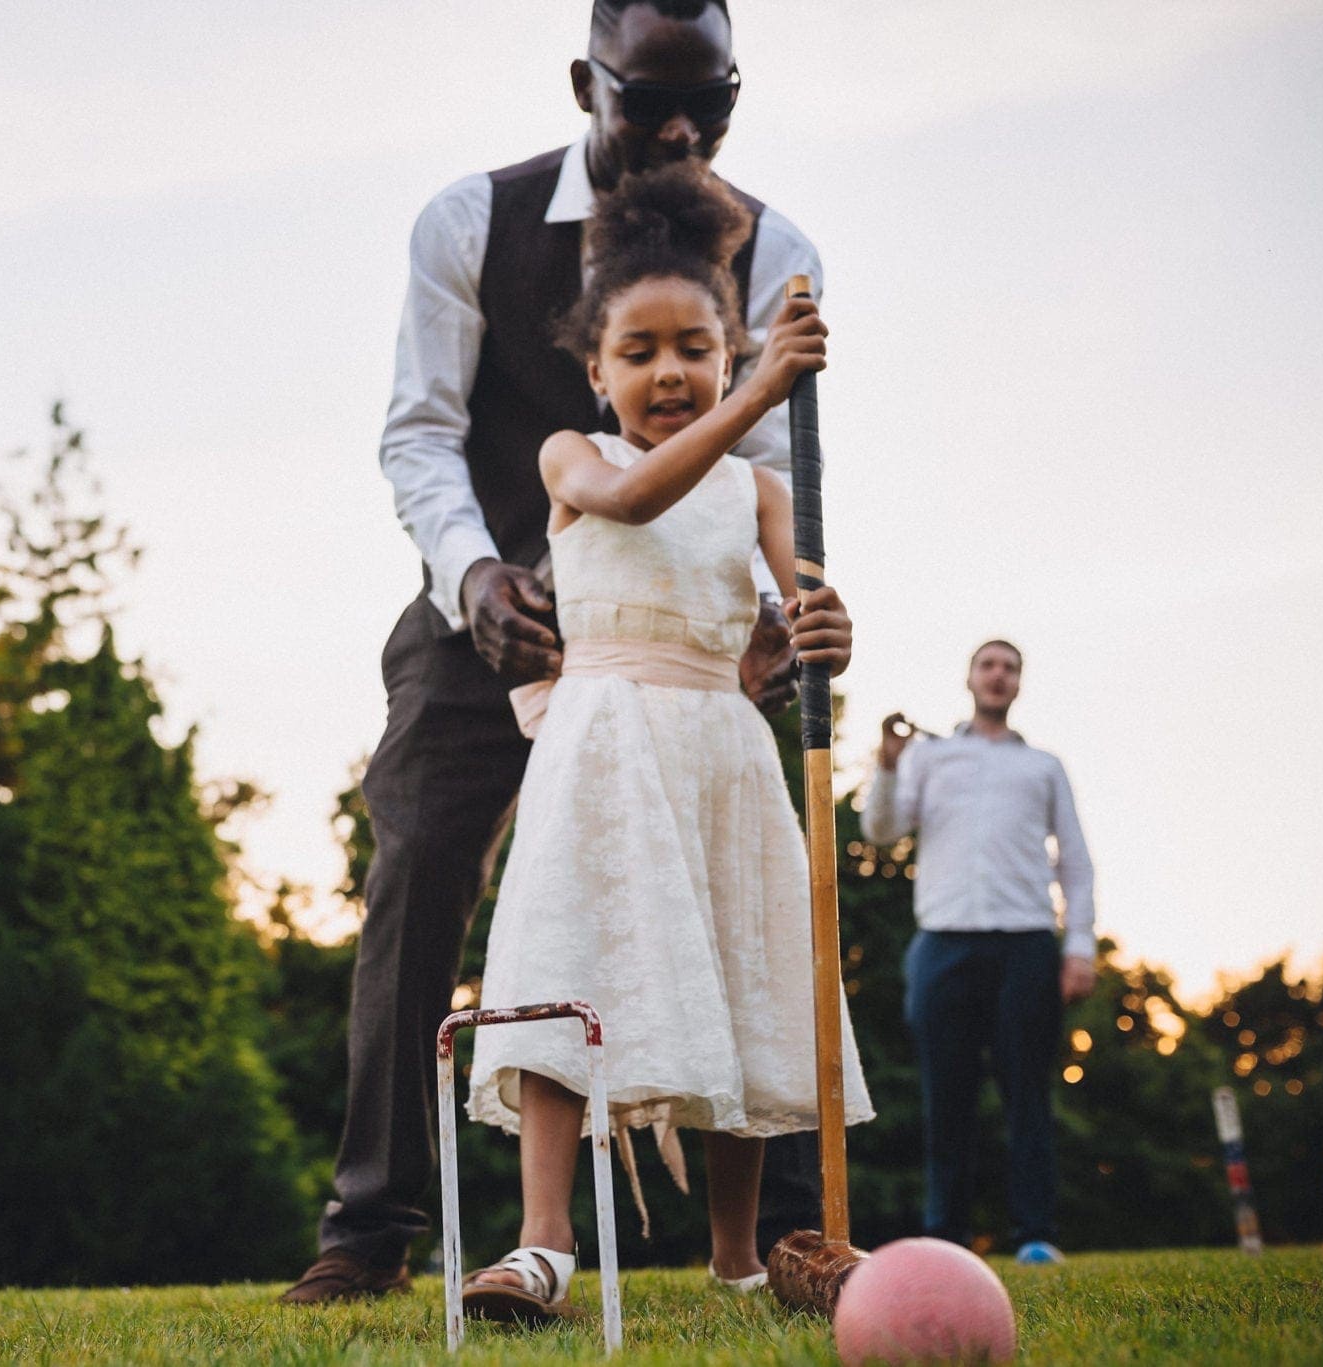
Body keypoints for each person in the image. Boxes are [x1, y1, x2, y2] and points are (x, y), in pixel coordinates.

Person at [282, 0, 836, 1305]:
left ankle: (782, 1238)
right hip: (493, 605)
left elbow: (772, 472)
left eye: (714, 101)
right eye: (648, 99)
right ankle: (371, 1228)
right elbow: (421, 430)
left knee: (741, 899)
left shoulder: (779, 248)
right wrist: (473, 572)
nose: (683, 129)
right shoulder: (469, 221)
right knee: (419, 863)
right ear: (585, 79)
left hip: (679, 647)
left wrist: (773, 618)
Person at [453, 161, 874, 1323]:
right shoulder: (568, 457)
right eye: (635, 352)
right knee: (559, 968)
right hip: (602, 741)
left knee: (740, 976)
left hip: (721, 755)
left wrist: (827, 631)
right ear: (595, 372)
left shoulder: (757, 493)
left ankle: (736, 1252)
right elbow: (632, 505)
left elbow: (800, 619)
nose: (668, 371)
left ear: (727, 349)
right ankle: (542, 1241)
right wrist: (764, 394)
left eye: (694, 345)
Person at [861, 640, 1098, 1263]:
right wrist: (887, 765)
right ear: (970, 678)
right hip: (942, 941)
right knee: (947, 1097)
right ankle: (946, 1240)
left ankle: (1035, 1236)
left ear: (1019, 684)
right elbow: (881, 832)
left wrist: (1080, 948)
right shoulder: (929, 755)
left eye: (1010, 667)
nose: (999, 675)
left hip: (1026, 943)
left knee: (1028, 1094)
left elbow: (1075, 862)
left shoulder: (1043, 766)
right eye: (989, 665)